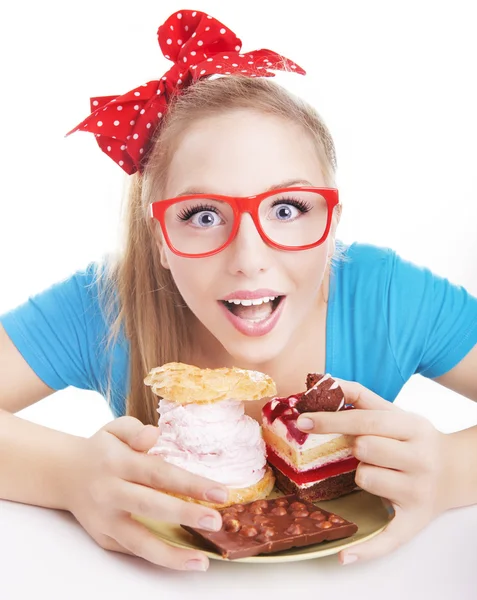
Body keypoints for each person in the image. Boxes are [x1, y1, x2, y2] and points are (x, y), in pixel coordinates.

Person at [0, 8, 476, 572]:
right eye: (203, 215)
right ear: (158, 240)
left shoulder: (389, 296)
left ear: (332, 221)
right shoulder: (108, 304)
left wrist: (451, 469)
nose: (249, 259)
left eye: (287, 208)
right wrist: (68, 474)